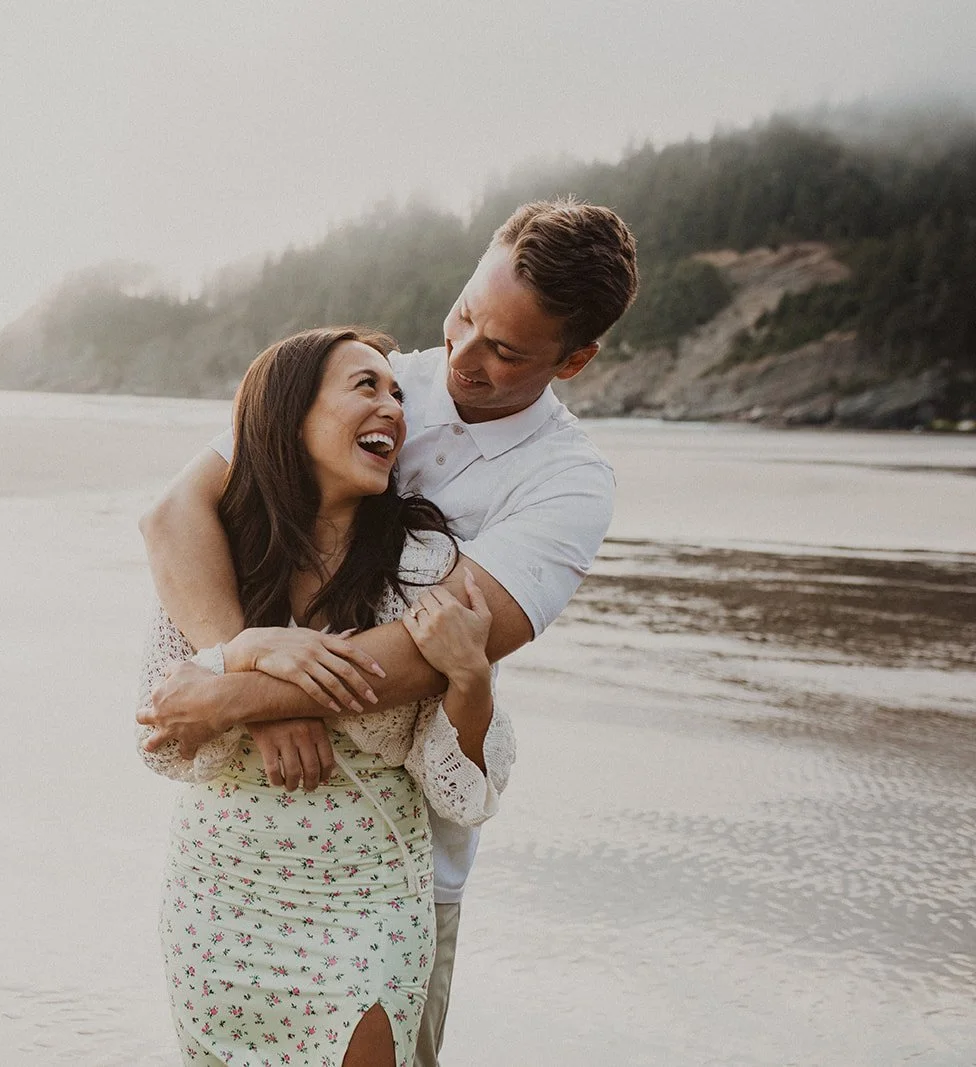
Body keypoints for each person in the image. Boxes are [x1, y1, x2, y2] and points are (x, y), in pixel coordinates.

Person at [138, 198, 639, 1064]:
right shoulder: (368, 378)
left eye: (505, 349)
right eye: (464, 313)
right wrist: (251, 671)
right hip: (233, 877)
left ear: (577, 358)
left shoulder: (568, 484)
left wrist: (229, 693)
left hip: (397, 870)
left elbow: (427, 654)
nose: (460, 357)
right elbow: (178, 512)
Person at [135, 327, 515, 1067]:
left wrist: (470, 679)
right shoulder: (219, 556)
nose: (393, 408)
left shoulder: (425, 565)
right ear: (290, 415)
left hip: (366, 903)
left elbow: (465, 786)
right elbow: (159, 734)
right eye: (365, 386)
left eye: (397, 392)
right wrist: (248, 649)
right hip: (222, 898)